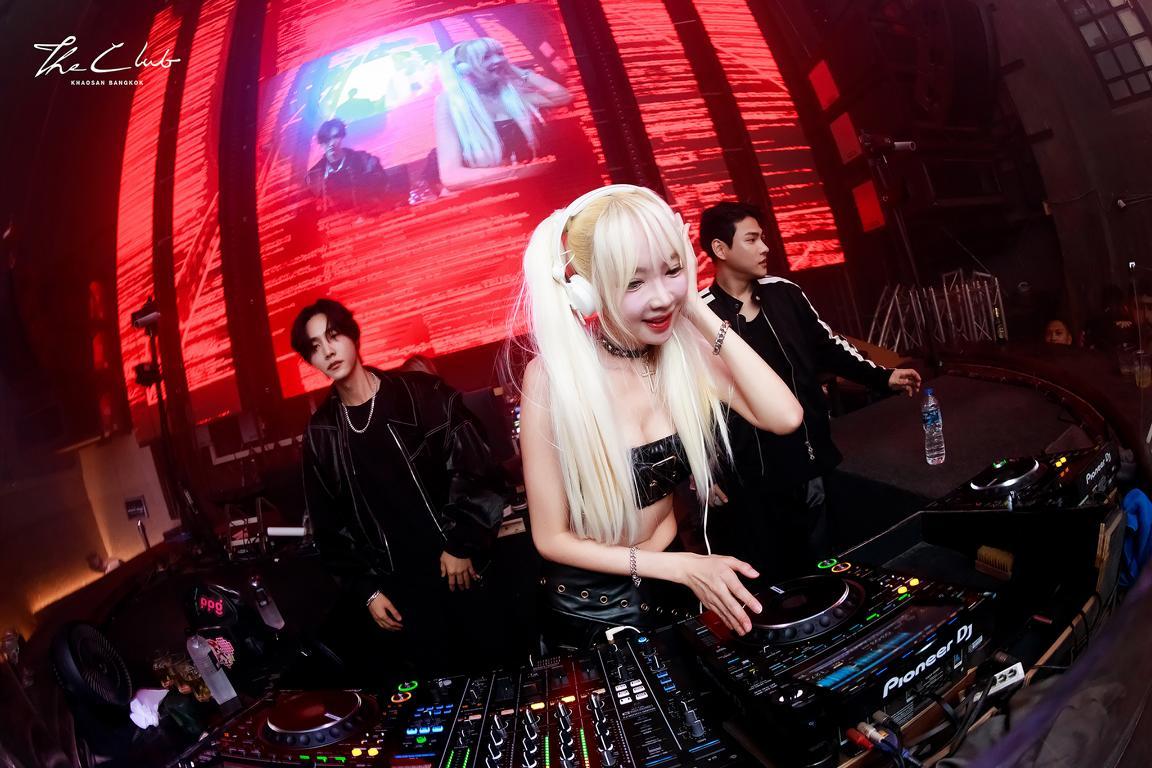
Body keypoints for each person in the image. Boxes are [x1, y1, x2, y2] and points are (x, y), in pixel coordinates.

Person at [516, 185, 804, 650]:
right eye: (634, 283)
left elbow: (785, 415)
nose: (660, 298)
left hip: (674, 577)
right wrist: (679, 567)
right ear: (586, 291)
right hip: (590, 605)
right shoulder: (552, 378)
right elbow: (551, 538)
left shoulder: (685, 353)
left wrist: (693, 306)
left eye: (671, 271)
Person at [697, 202, 922, 583]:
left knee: (828, 565)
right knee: (773, 578)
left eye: (763, 238)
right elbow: (689, 401)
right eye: (752, 239)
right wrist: (702, 469)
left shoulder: (785, 293)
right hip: (748, 478)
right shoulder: (701, 314)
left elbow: (829, 346)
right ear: (721, 249)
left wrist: (883, 378)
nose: (765, 247)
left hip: (808, 458)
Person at [292, 299, 507, 676]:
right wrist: (367, 592)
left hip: (461, 570)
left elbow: (477, 466)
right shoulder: (321, 434)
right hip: (401, 595)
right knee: (437, 694)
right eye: (315, 346)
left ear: (352, 335)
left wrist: (461, 542)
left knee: (496, 677)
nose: (328, 350)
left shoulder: (421, 393)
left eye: (333, 335)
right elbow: (328, 529)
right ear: (310, 360)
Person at [435, 37, 572, 192]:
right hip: (499, 194)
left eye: (500, 54)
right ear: (464, 68)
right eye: (486, 57)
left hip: (540, 186)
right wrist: (520, 172)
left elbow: (563, 97)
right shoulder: (451, 103)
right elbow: (452, 177)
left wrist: (516, 71)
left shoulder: (511, 92)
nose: (498, 59)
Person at [304, 118, 408, 209]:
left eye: (335, 137)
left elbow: (382, 190)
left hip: (368, 219)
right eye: (326, 140)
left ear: (342, 137)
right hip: (335, 223)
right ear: (321, 143)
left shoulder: (366, 162)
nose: (331, 143)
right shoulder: (313, 177)